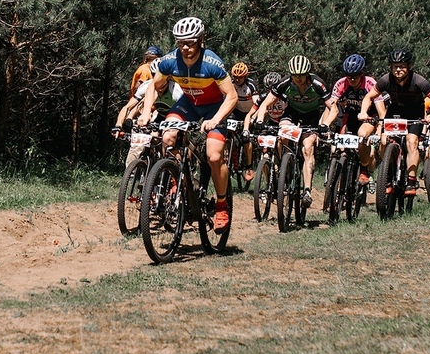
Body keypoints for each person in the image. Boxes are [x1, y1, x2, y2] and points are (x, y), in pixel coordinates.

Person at [137, 17, 238, 232]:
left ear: (200, 40)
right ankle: (179, 182)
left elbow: (231, 96)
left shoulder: (212, 63)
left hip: (214, 108)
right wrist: (146, 112)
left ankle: (221, 205)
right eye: (180, 42)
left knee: (213, 156)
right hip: (189, 104)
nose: (185, 47)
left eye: (190, 42)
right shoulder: (170, 61)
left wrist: (215, 120)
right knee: (168, 137)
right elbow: (153, 86)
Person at [363, 48, 430, 197]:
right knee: (383, 140)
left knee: (411, 141)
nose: (398, 70)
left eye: (402, 66)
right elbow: (369, 97)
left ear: (409, 66)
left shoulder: (418, 80)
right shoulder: (386, 79)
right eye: (395, 66)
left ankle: (411, 180)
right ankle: (386, 176)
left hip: (415, 113)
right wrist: (363, 112)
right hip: (395, 112)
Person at [249, 55, 329, 209]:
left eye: (301, 75)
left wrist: (325, 124)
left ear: (307, 73)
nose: (298, 79)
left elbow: (332, 107)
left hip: (311, 118)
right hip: (291, 114)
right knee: (282, 135)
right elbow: (265, 103)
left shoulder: (318, 84)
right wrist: (259, 119)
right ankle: (283, 165)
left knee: (308, 147)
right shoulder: (285, 82)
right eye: (295, 75)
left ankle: (307, 191)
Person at [319, 54, 382, 184]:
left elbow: (382, 112)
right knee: (341, 145)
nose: (352, 79)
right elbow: (331, 106)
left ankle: (364, 168)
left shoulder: (371, 84)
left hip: (369, 116)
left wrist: (380, 130)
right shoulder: (341, 83)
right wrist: (325, 125)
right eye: (349, 76)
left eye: (355, 76)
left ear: (362, 73)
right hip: (351, 115)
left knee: (362, 135)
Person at [228, 62, 259, 180]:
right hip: (236, 111)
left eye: (239, 77)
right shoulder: (231, 84)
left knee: (246, 139)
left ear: (245, 76)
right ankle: (230, 156)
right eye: (235, 77)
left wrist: (253, 118)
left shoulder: (251, 85)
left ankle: (249, 166)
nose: (237, 79)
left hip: (249, 113)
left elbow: (257, 104)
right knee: (228, 132)